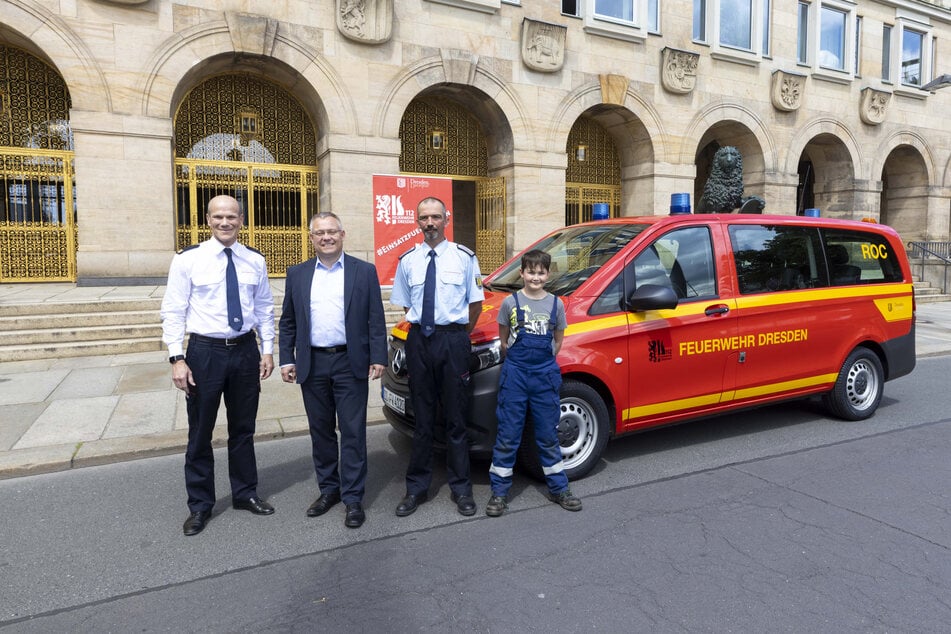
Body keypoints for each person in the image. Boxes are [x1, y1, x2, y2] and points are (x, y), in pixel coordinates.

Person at [160, 194, 277, 537]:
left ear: (242, 219)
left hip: (244, 353)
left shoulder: (254, 260)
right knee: (200, 433)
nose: (225, 223)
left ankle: (245, 493)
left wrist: (267, 350)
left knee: (243, 429)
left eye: (232, 216)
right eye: (218, 217)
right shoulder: (187, 260)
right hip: (204, 353)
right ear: (207, 220)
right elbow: (173, 310)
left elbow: (265, 308)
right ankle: (200, 506)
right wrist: (176, 357)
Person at [279, 212, 387, 529]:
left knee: (353, 432)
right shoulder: (297, 274)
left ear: (342, 234)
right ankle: (329, 490)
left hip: (349, 362)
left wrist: (378, 355)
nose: (326, 237)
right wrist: (287, 358)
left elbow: (375, 319)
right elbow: (288, 322)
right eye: (319, 233)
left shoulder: (363, 272)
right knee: (321, 431)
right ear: (310, 237)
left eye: (331, 232)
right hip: (312, 364)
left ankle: (353, 498)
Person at [390, 197, 484, 517]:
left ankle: (461, 488)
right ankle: (416, 488)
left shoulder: (465, 258)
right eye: (423, 218)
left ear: (447, 218)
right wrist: (426, 329)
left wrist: (455, 334)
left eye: (435, 217)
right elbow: (407, 306)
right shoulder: (407, 260)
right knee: (422, 419)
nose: (429, 223)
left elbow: (475, 305)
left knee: (456, 419)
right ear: (417, 222)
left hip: (453, 341)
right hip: (420, 341)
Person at [485, 249, 582, 517]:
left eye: (541, 272)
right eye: (531, 271)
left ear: (547, 274)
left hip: (544, 376)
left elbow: (558, 339)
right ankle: (499, 493)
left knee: (549, 436)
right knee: (508, 435)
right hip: (515, 375)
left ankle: (559, 488)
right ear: (522, 273)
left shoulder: (556, 305)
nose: (535, 276)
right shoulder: (510, 303)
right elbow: (504, 338)